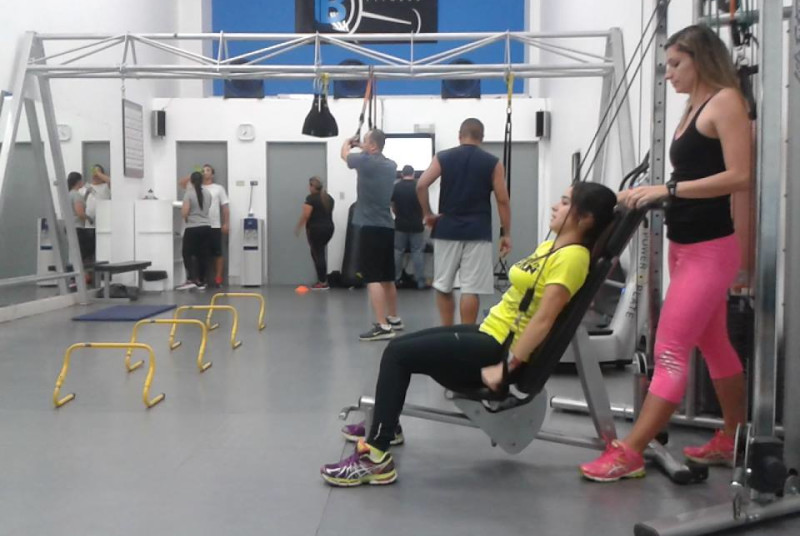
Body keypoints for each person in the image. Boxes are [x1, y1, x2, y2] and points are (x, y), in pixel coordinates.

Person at [321, 182, 618, 486]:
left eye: (566, 202)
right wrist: (622, 199)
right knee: (399, 347)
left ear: (586, 218)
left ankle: (375, 457)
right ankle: (388, 423)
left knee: (397, 355)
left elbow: (543, 320)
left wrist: (507, 368)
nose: (556, 206)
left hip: (498, 349)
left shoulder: (572, 258)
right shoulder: (554, 246)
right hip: (491, 332)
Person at [579, 25, 752, 483]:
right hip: (685, 247)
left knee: (670, 351)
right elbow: (695, 174)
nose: (668, 73)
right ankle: (732, 438)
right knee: (714, 344)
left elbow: (740, 176)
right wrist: (650, 192)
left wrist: (669, 190)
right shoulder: (692, 106)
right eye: (667, 65)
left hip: (711, 251)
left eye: (676, 64)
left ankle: (631, 452)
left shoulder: (726, 102)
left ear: (701, 59)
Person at [417, 118, 512, 326]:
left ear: (459, 136)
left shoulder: (443, 157)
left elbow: (421, 185)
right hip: (478, 232)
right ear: (482, 138)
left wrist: (428, 214)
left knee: (443, 286)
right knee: (470, 288)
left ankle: (446, 332)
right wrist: (506, 233)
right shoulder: (493, 163)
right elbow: (502, 200)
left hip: (447, 230)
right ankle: (466, 334)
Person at [342, 129, 404, 341]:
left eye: (366, 141)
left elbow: (344, 155)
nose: (363, 144)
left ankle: (383, 326)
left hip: (370, 227)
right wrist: (362, 145)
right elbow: (367, 152)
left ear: (373, 146)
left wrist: (348, 142)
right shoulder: (390, 165)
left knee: (373, 278)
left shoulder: (365, 162)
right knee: (387, 277)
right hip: (387, 227)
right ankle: (394, 318)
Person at [180, 164, 230, 287]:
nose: (205, 172)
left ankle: (217, 279)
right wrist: (195, 173)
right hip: (203, 225)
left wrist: (226, 223)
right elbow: (181, 183)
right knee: (200, 253)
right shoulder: (195, 189)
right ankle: (201, 280)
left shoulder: (218, 188)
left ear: (212, 174)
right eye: (203, 171)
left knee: (216, 253)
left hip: (214, 225)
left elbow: (225, 207)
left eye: (208, 170)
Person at [295, 176, 335, 290]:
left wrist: (298, 227)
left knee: (318, 254)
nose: (309, 188)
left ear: (312, 186)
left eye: (309, 185)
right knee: (318, 253)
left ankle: (323, 283)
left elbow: (306, 215)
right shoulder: (329, 198)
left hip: (316, 229)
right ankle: (322, 280)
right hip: (329, 228)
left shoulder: (311, 198)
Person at [392, 165, 427, 289]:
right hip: (417, 224)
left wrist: (398, 215)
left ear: (402, 174)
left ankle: (396, 280)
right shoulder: (419, 187)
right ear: (413, 174)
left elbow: (393, 206)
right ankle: (420, 282)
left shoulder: (396, 187)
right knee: (417, 252)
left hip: (400, 224)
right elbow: (424, 207)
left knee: (398, 251)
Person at [177, 171, 212, 291]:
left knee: (187, 253)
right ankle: (202, 281)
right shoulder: (207, 193)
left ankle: (191, 279)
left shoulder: (189, 193)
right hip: (206, 227)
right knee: (203, 255)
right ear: (202, 181)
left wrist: (187, 218)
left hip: (192, 228)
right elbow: (208, 208)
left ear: (191, 181)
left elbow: (184, 212)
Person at [67, 171, 95, 271]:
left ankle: (74, 275)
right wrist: (89, 218)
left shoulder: (69, 194)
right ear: (78, 181)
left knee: (73, 253)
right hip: (78, 228)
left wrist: (86, 194)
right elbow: (80, 213)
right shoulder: (76, 195)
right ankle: (79, 274)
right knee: (83, 252)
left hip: (70, 227)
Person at [83, 164, 111, 232]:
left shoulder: (106, 186)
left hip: (103, 223)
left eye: (97, 172)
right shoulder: (87, 186)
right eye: (93, 172)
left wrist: (98, 173)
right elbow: (81, 203)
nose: (95, 174)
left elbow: (110, 181)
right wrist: (86, 194)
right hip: (89, 224)